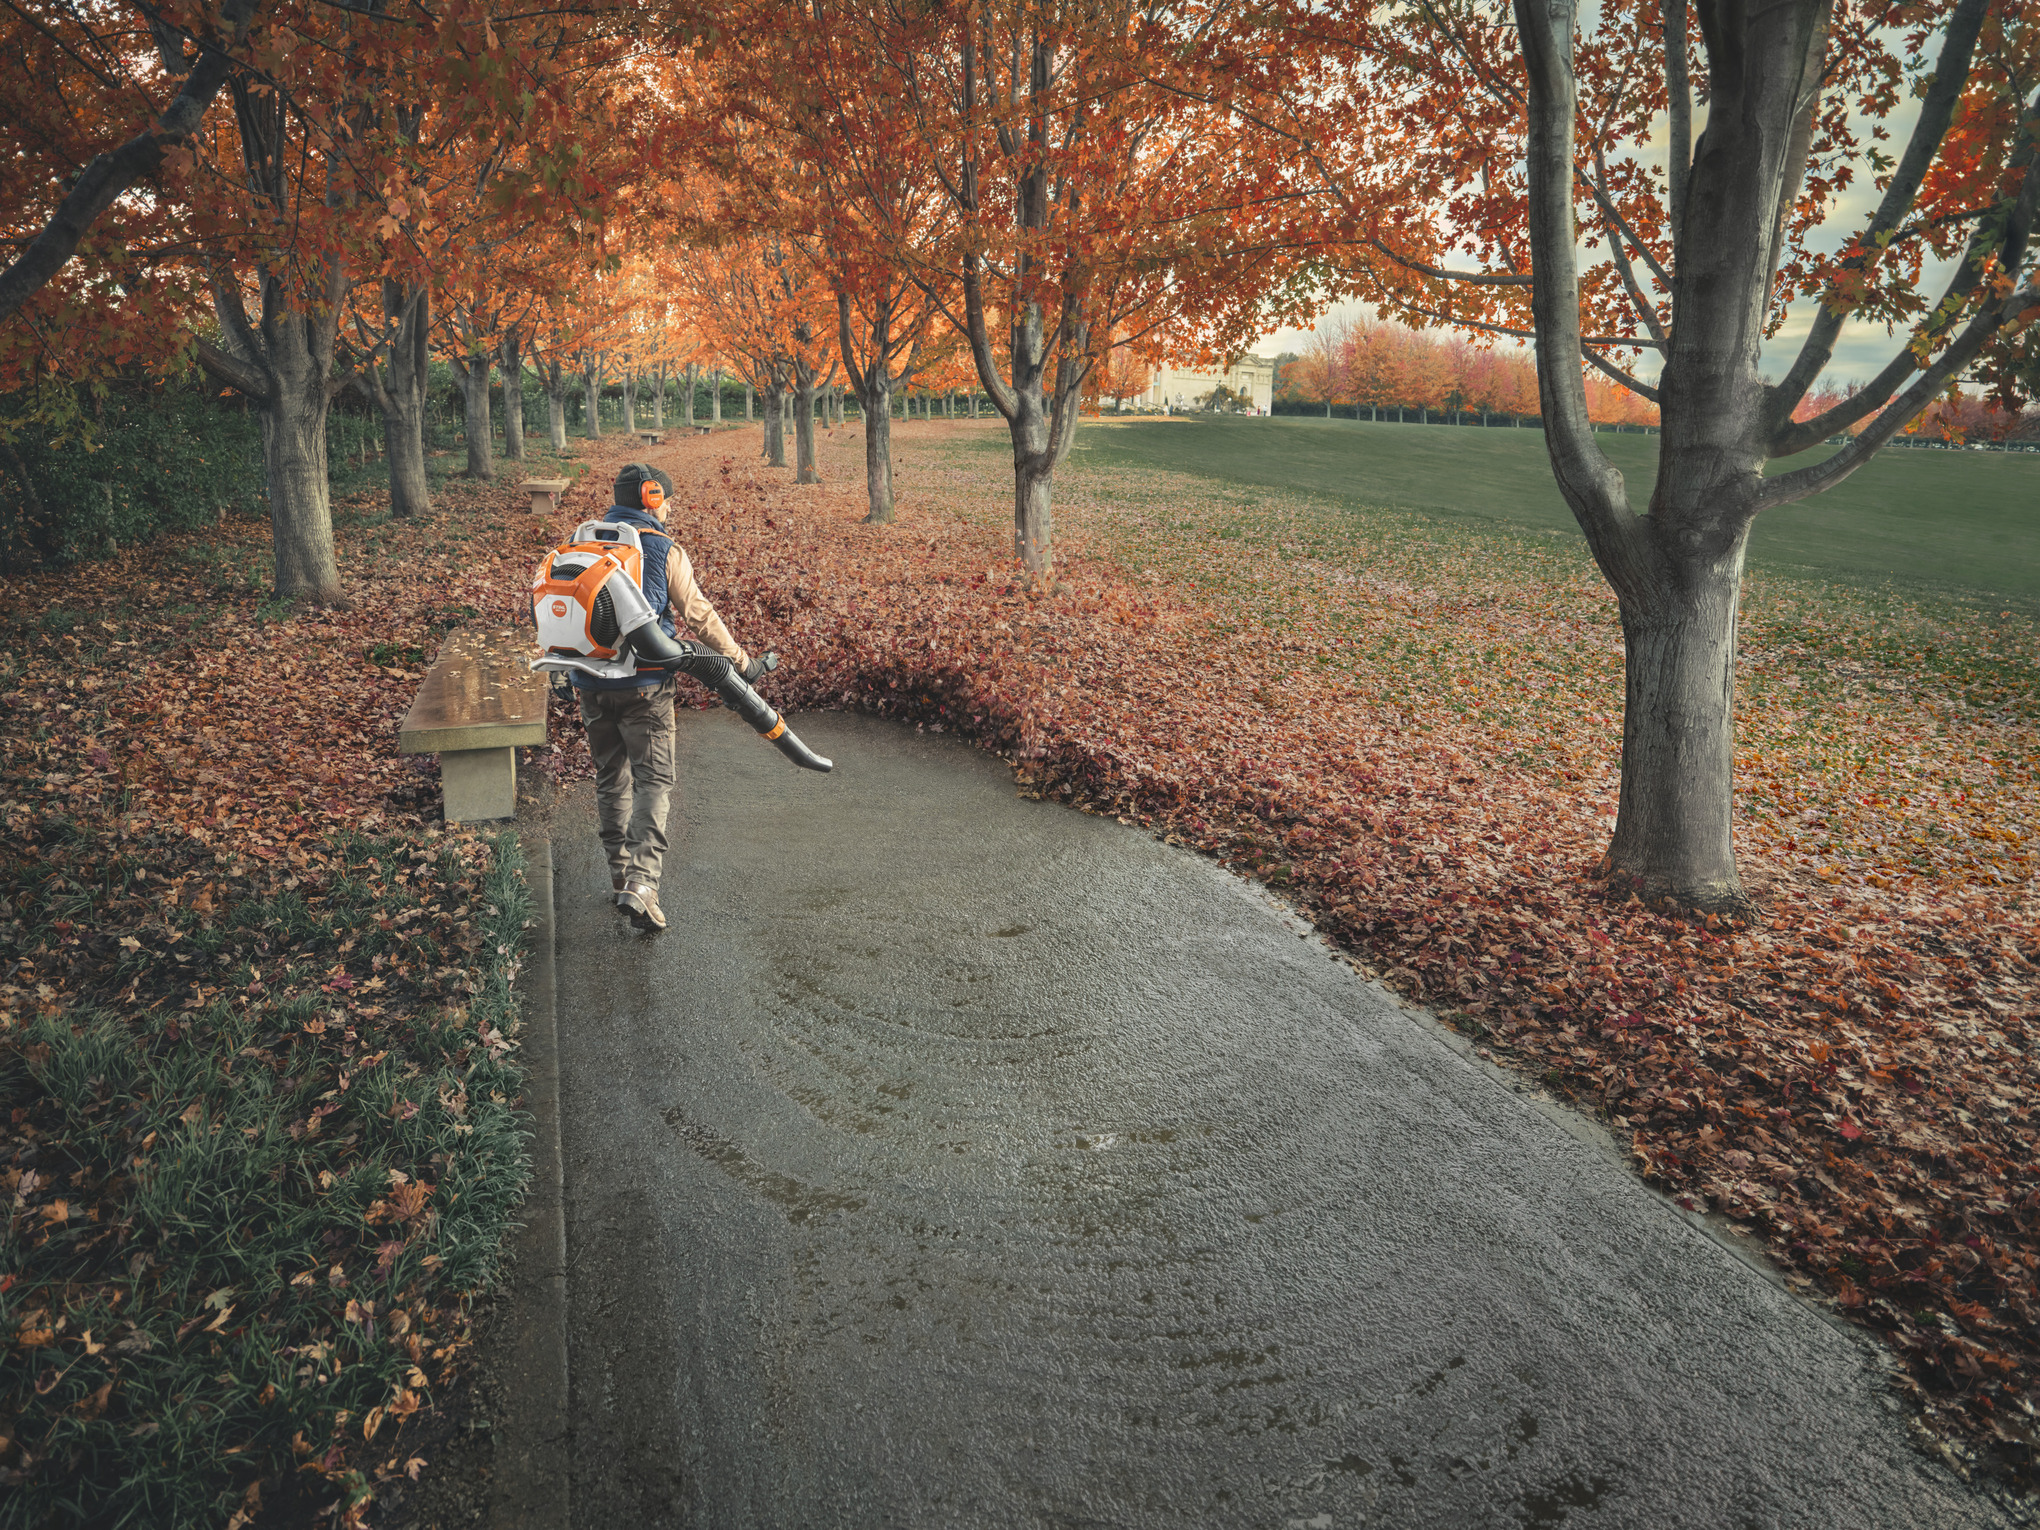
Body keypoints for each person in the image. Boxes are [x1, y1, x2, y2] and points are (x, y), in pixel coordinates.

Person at [573, 462, 771, 932]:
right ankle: (643, 884)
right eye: (668, 499)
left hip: (591, 684)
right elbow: (698, 614)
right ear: (652, 497)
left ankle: (621, 876)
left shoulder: (582, 542)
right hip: (645, 686)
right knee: (654, 780)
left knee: (611, 779)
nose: (671, 508)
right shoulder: (660, 547)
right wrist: (740, 661)